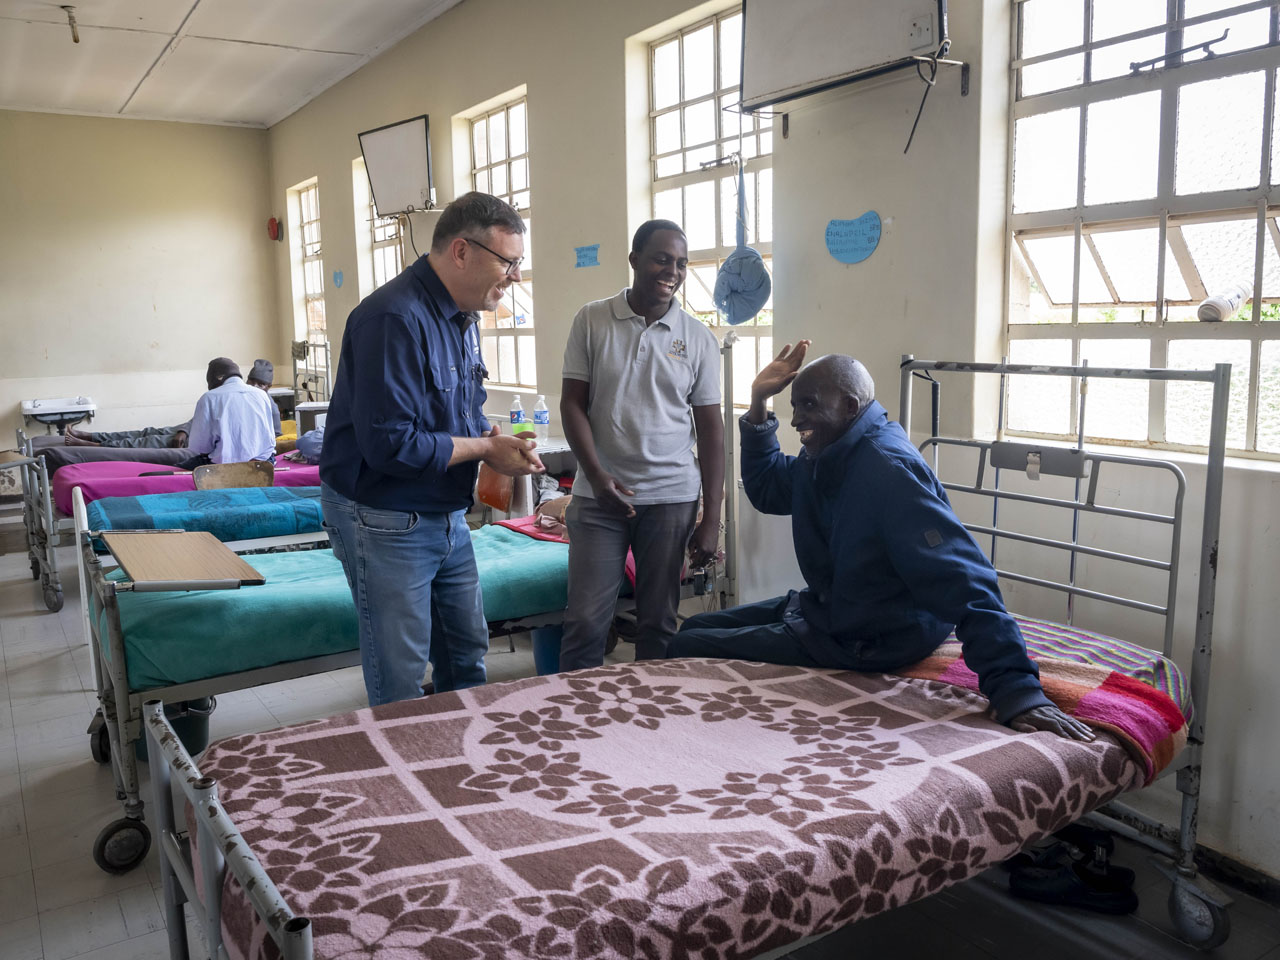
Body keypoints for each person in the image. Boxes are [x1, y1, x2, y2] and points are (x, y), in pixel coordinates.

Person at [666, 343, 1094, 742]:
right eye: (793, 406)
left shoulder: (886, 470)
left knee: (686, 645)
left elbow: (965, 579)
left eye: (808, 406)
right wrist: (759, 401)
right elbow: (768, 488)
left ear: (850, 406)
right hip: (838, 613)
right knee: (697, 627)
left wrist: (1018, 691)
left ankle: (697, 742)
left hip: (876, 636)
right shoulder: (829, 455)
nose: (796, 419)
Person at [320, 192, 545, 707]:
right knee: (400, 674)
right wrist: (484, 450)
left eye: (518, 264)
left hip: (444, 514)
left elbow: (457, 410)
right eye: (508, 263)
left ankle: (457, 764)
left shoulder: (463, 317)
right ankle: (402, 775)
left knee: (467, 652)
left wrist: (492, 442)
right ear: (461, 252)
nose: (514, 277)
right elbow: (391, 446)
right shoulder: (391, 319)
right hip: (385, 514)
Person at [558, 219, 724, 671]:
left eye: (682, 264)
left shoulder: (698, 339)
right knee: (586, 624)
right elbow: (572, 404)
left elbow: (711, 430)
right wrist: (595, 474)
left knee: (658, 624)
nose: (673, 271)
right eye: (662, 259)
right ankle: (575, 723)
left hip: (671, 498)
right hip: (598, 500)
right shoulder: (592, 320)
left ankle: (650, 726)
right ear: (634, 260)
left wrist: (712, 519)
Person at [182, 358, 278, 467]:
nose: (255, 385)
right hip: (263, 464)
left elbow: (201, 447)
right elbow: (271, 439)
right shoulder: (262, 396)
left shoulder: (209, 397)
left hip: (223, 466)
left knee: (177, 469)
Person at [64, 420, 191, 448]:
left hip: (199, 441)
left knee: (152, 440)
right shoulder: (209, 397)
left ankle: (97, 445)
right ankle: (91, 436)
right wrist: (184, 431)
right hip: (192, 429)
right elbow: (197, 419)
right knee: (147, 432)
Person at [245, 358, 284, 437]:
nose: (254, 386)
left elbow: (277, 436)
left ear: (269, 386)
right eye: (251, 381)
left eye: (260, 384)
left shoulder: (272, 408)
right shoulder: (239, 398)